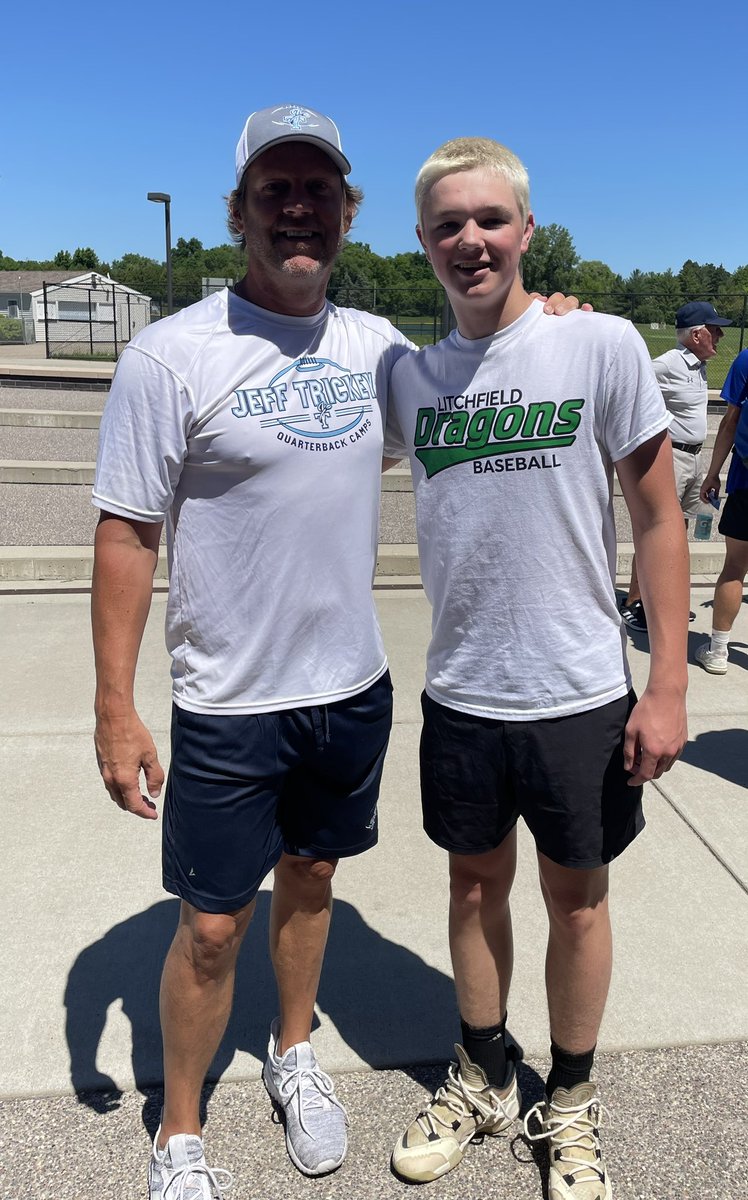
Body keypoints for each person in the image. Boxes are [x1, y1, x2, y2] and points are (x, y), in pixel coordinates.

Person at [91, 104, 579, 1198]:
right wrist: (114, 706)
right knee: (211, 928)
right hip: (228, 699)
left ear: (349, 213)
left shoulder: (378, 351)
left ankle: (293, 1052)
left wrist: (549, 319)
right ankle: (179, 1134)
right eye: (276, 190)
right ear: (240, 212)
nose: (298, 209)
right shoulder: (171, 355)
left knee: (310, 884)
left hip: (349, 689)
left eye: (319, 189)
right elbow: (126, 533)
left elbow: (480, 374)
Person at [383, 137, 689, 1199]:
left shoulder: (597, 345)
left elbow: (658, 517)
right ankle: (482, 1071)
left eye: (489, 219)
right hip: (463, 689)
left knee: (579, 902)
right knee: (473, 886)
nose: (470, 240)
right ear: (422, 242)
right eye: (447, 225)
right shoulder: (407, 378)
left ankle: (571, 1096)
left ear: (526, 229)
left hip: (579, 692)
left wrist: (667, 683)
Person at [619, 300, 732, 632]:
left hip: (694, 459)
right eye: (715, 330)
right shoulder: (668, 363)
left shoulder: (698, 365)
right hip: (673, 458)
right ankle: (634, 601)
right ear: (697, 335)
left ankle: (664, 599)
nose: (721, 336)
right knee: (654, 529)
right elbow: (628, 387)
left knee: (676, 532)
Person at [695, 348, 748, 674]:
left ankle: (717, 651)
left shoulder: (746, 359)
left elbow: (730, 422)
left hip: (746, 485)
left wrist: (713, 473)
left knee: (734, 568)